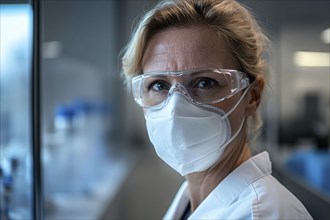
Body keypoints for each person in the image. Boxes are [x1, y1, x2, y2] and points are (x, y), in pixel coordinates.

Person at [121, 0, 313, 219]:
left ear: (252, 96)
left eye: (204, 82)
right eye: (159, 85)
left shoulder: (265, 213)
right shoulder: (192, 199)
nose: (175, 108)